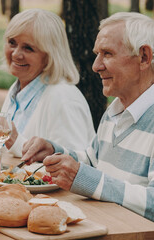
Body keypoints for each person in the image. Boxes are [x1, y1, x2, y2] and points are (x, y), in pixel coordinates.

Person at [21, 12, 154, 221]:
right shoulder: (116, 110)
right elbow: (93, 162)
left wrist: (87, 180)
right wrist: (56, 151)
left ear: (144, 57)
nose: (96, 66)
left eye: (107, 53)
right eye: (97, 54)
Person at [0, 9, 95, 157]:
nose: (16, 54)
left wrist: (15, 141)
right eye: (12, 43)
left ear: (50, 55)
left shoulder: (64, 98)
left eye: (28, 48)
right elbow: (8, 154)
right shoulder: (19, 87)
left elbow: (73, 166)